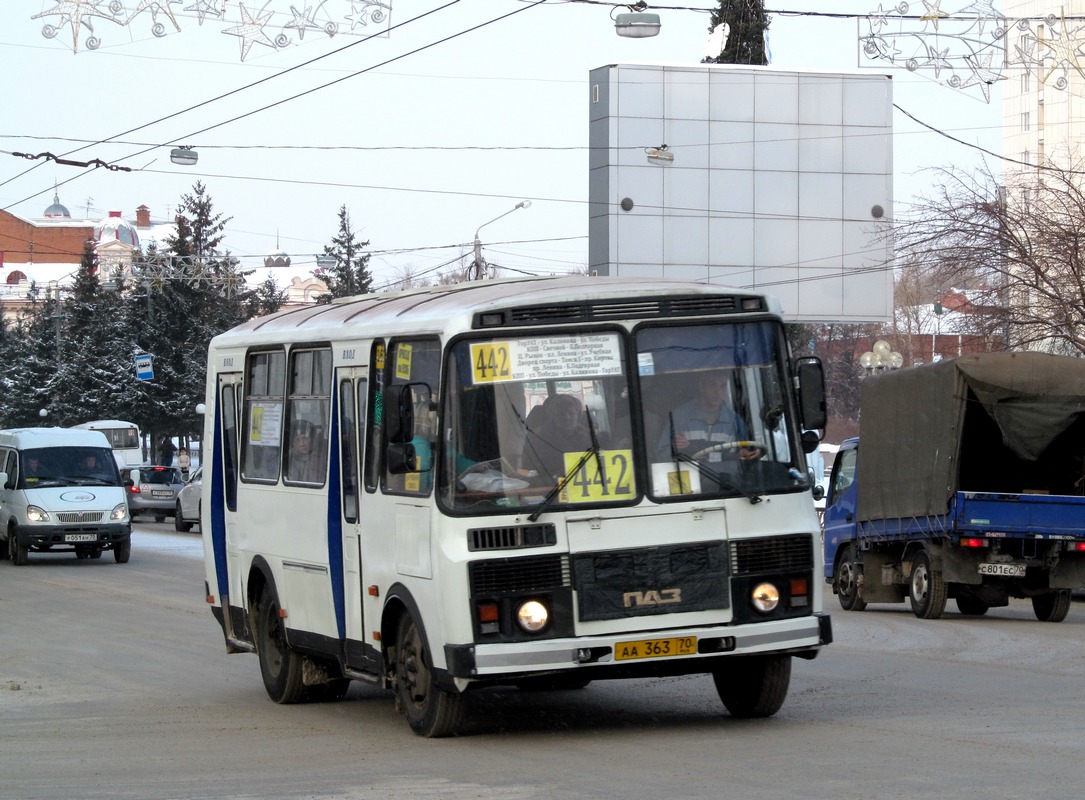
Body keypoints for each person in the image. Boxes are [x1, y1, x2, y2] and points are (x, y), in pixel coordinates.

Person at [661, 370, 759, 462]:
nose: (718, 391)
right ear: (701, 386)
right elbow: (660, 457)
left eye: (723, 386)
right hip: (690, 477)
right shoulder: (679, 416)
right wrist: (673, 449)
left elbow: (744, 459)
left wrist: (742, 455)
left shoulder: (735, 421)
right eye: (712, 385)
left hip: (725, 478)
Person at [521, 394, 591, 479]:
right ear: (553, 416)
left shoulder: (589, 436)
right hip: (549, 487)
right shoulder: (538, 438)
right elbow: (529, 469)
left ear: (578, 415)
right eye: (561, 414)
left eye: (571, 413)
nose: (566, 417)